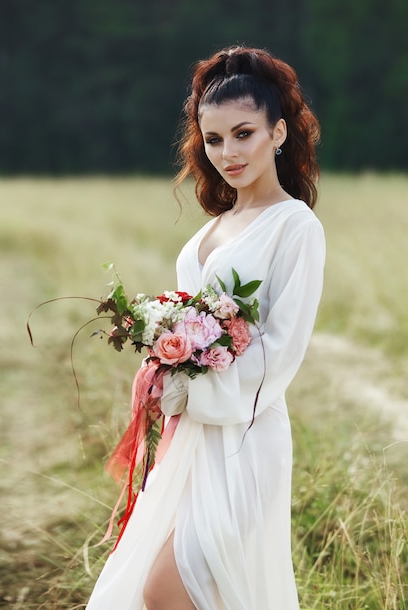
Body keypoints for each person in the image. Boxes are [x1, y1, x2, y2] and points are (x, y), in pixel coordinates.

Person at [86, 45, 325, 610]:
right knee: (165, 583)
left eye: (244, 134)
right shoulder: (215, 226)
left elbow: (279, 355)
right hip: (190, 439)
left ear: (280, 132)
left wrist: (187, 385)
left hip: (245, 436)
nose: (228, 152)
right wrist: (163, 361)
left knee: (166, 588)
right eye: (213, 139)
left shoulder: (295, 226)